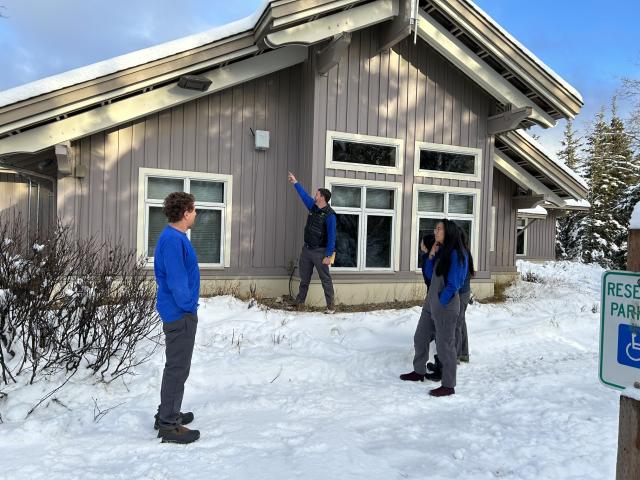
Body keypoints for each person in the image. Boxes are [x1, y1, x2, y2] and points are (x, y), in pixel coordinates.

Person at [400, 219, 468, 397]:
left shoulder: (457, 254)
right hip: (431, 304)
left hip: (445, 306)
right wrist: (431, 254)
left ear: (448, 232)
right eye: (436, 228)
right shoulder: (441, 251)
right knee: (420, 337)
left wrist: (441, 300)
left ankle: (448, 384)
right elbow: (430, 274)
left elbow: (455, 283)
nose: (435, 231)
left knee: (445, 346)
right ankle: (419, 371)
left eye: (439, 229)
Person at [153, 192, 201, 444]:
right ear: (185, 213)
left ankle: (167, 411)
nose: (196, 214)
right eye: (193, 210)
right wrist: (188, 306)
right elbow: (177, 280)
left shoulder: (176, 237)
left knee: (177, 366)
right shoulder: (173, 240)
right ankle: (168, 425)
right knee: (178, 367)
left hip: (179, 310)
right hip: (179, 312)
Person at [288, 171, 337, 314]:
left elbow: (332, 237)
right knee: (304, 278)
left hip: (320, 252)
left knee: (325, 280)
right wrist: (295, 182)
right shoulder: (313, 207)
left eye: (317, 194)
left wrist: (328, 255)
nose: (314, 196)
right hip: (307, 250)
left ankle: (331, 307)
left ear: (322, 198)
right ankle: (299, 302)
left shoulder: (330, 215)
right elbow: (303, 196)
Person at [456, 229, 475, 363]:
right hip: (462, 291)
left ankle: (457, 355)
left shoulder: (462, 253)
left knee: (457, 323)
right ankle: (463, 353)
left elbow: (462, 277)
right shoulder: (462, 251)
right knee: (461, 322)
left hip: (462, 292)